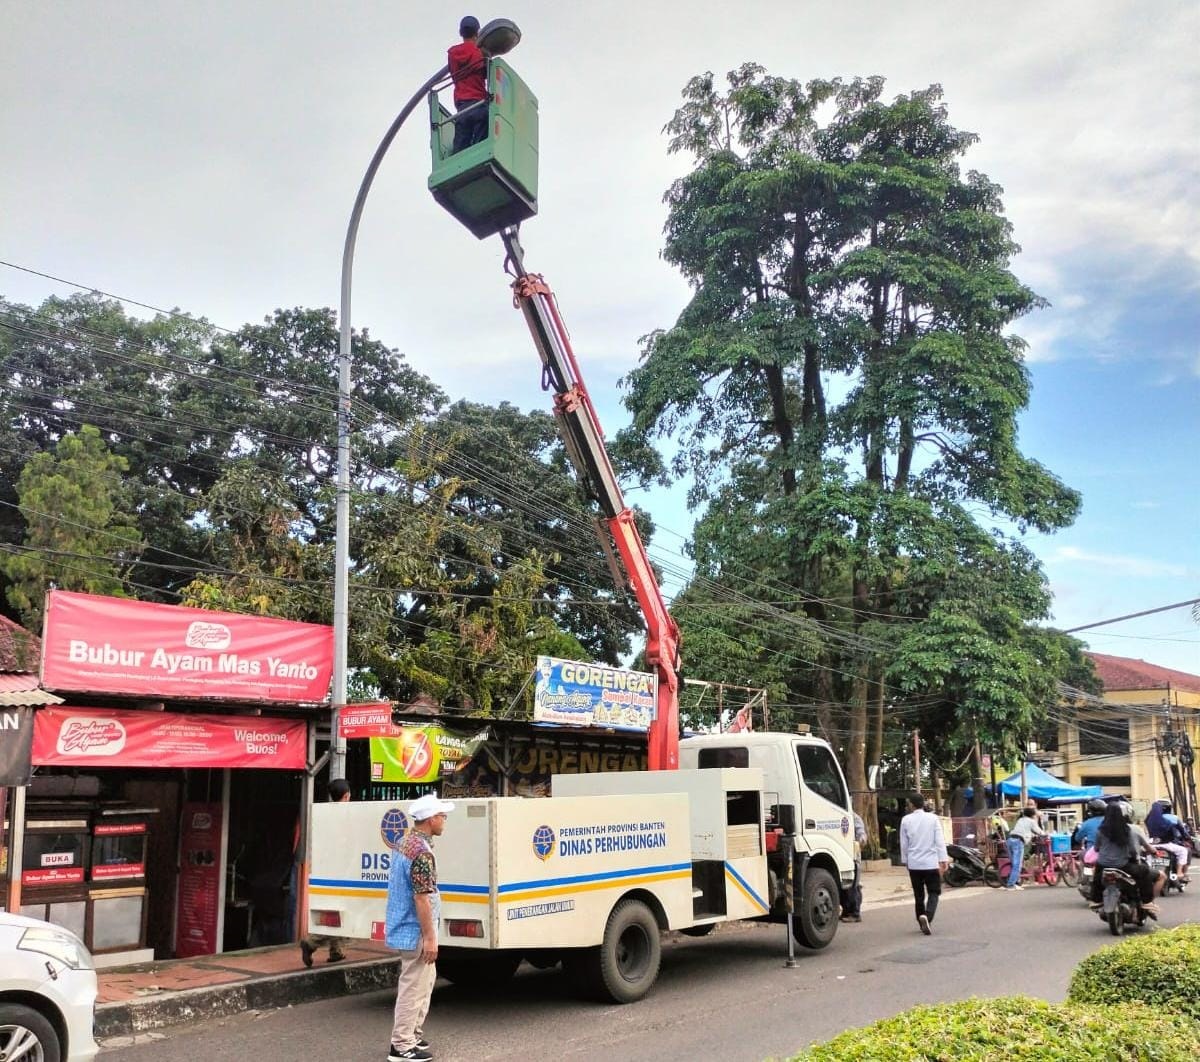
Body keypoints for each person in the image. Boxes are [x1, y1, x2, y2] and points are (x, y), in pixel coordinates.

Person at [387, 793, 455, 1062]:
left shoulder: (405, 842)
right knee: (414, 987)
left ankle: (412, 1036)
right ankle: (402, 1046)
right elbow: (422, 897)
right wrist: (430, 937)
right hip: (416, 929)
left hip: (406, 925)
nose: (444, 821)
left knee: (423, 984)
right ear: (430, 819)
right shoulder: (422, 854)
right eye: (442, 816)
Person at [300, 778, 352, 966]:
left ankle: (336, 951)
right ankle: (311, 942)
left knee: (336, 909)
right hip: (341, 868)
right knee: (338, 913)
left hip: (325, 867)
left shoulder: (323, 813)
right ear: (346, 796)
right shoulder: (347, 814)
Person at [1089, 802, 1161, 914]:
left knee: (1096, 878)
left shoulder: (1101, 830)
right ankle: (1147, 902)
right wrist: (1133, 857)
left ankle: (1096, 900)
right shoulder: (1127, 830)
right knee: (1144, 871)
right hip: (1122, 865)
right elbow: (1132, 849)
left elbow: (1097, 848)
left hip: (1103, 864)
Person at [899, 792, 948, 936]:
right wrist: (943, 859)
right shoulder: (933, 819)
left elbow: (904, 843)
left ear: (912, 805)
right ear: (923, 803)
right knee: (934, 892)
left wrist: (905, 861)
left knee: (918, 894)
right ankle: (928, 915)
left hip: (914, 864)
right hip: (930, 863)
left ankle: (921, 918)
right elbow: (939, 840)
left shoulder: (906, 820)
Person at [447, 15, 488, 153]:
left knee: (460, 151)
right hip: (479, 105)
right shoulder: (480, 53)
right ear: (477, 33)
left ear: (461, 33)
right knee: (480, 150)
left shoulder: (452, 53)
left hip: (462, 108)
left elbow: (453, 73)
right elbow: (486, 73)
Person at [1145, 800, 1190, 883]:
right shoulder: (1172, 818)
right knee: (1183, 851)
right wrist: (1187, 839)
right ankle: (1179, 872)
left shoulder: (1149, 819)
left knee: (1146, 857)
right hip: (1167, 844)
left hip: (1152, 845)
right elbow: (1182, 831)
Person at [1005, 806, 1045, 890]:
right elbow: (1039, 831)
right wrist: (1046, 834)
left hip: (1010, 840)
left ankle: (1015, 883)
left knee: (1014, 863)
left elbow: (1024, 830)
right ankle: (1010, 885)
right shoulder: (1031, 821)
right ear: (1032, 815)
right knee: (1017, 864)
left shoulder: (1020, 819)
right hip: (1018, 842)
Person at [839, 811, 868, 923]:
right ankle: (846, 911)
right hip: (844, 856)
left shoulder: (854, 817)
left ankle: (855, 913)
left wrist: (861, 840)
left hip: (853, 856)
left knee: (853, 886)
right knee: (845, 887)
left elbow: (861, 833)